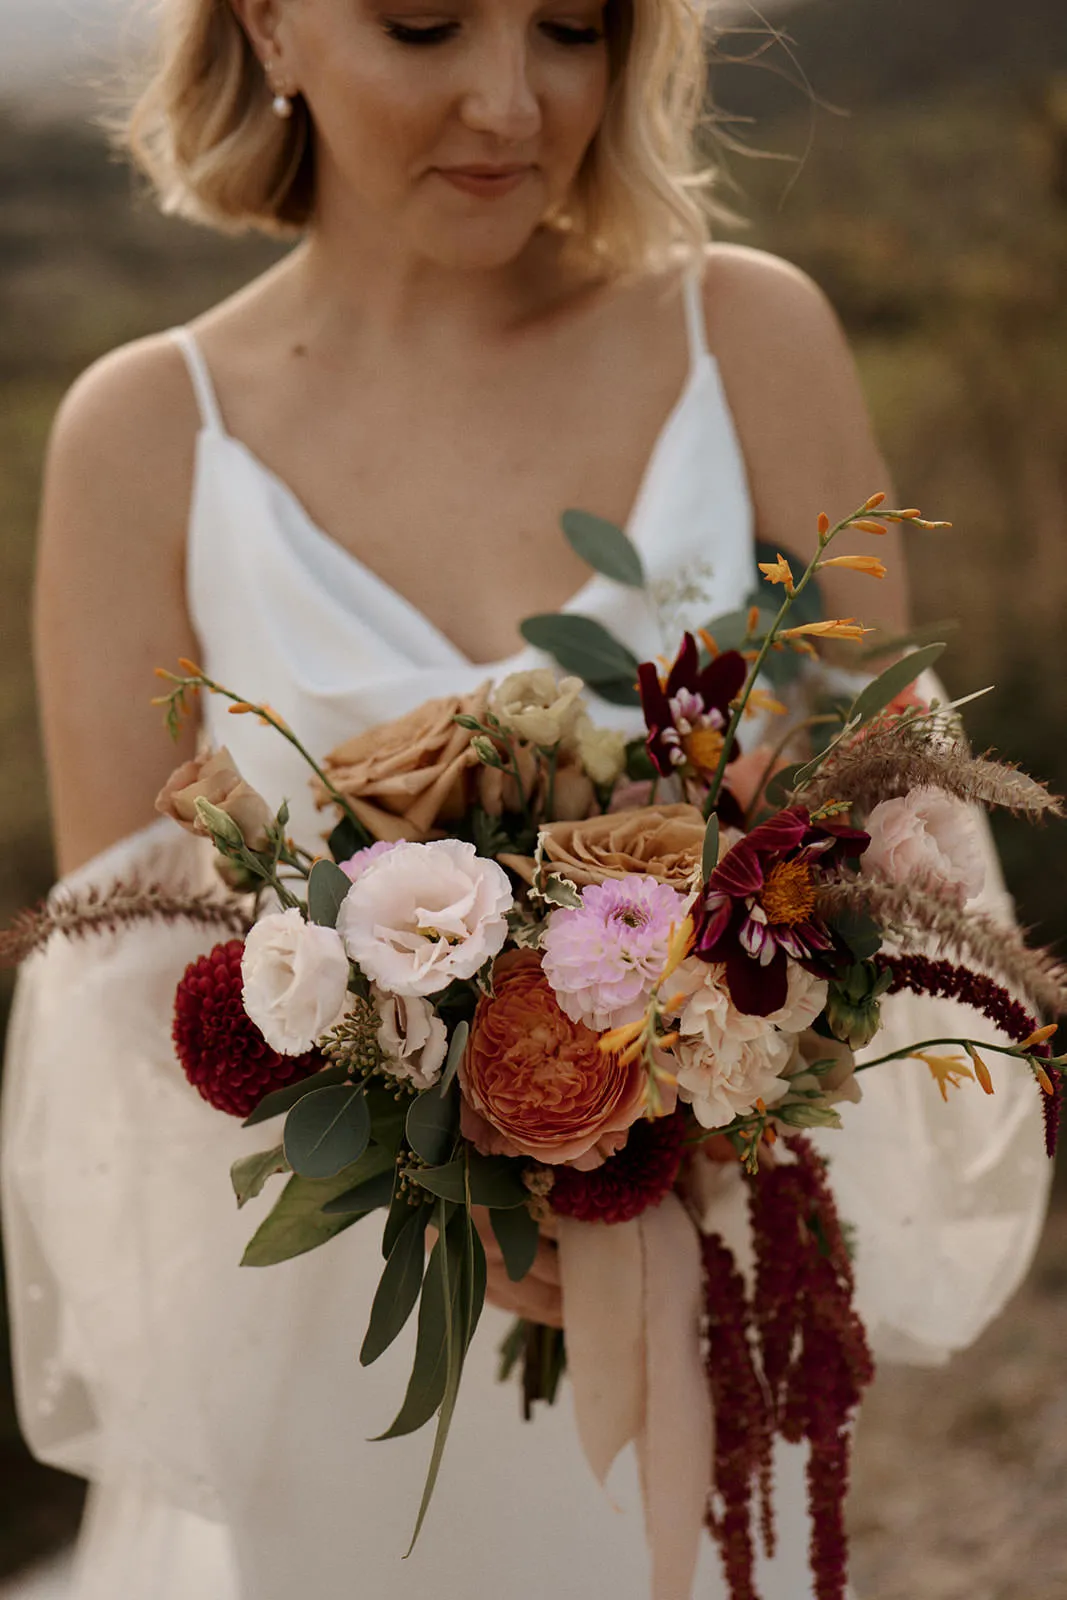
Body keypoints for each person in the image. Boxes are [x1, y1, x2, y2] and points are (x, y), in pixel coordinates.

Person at [1, 0, 1050, 1595]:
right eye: (423, 26)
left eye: (570, 26)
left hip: (688, 1312)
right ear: (271, 26)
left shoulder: (747, 337)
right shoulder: (145, 435)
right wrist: (444, 1172)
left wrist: (689, 1107)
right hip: (343, 1368)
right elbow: (121, 1001)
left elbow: (891, 832)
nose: (511, 99)